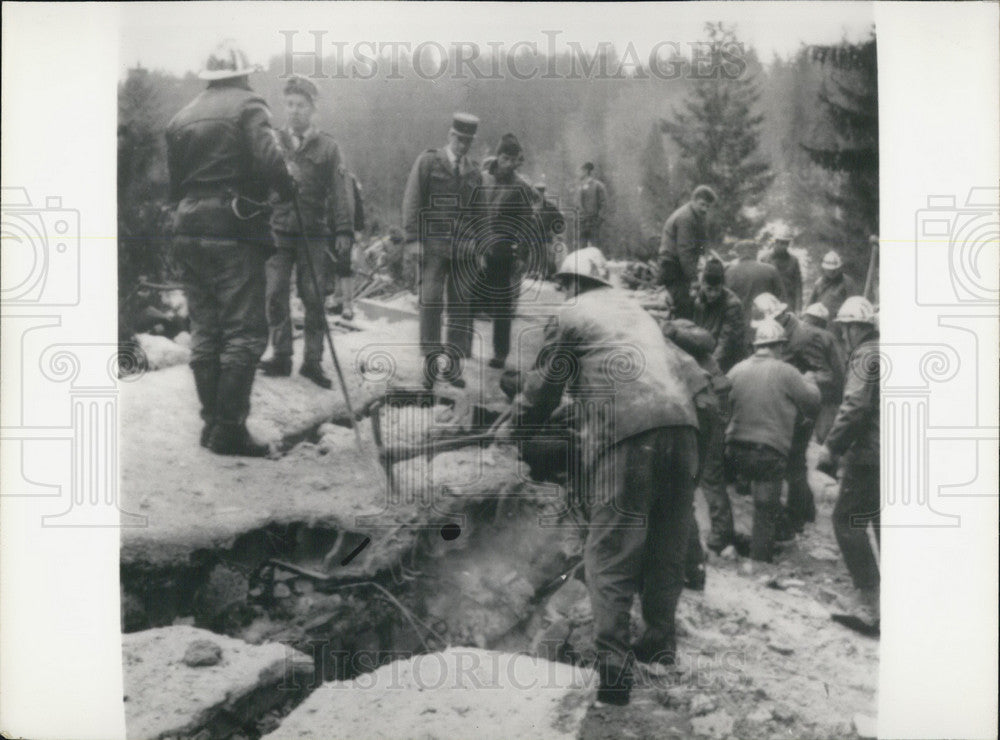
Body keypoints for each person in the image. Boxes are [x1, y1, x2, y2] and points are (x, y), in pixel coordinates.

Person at [499, 247, 700, 706]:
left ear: (569, 284)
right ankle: (659, 645)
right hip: (684, 428)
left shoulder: (572, 312)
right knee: (667, 542)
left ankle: (612, 670)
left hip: (627, 432)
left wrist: (515, 430)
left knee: (610, 546)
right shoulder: (636, 313)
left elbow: (546, 386)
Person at [165, 41, 296, 456]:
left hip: (187, 228)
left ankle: (212, 424)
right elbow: (271, 163)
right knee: (243, 332)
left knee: (205, 330)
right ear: (243, 75)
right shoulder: (249, 105)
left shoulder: (180, 118)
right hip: (233, 231)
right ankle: (229, 430)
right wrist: (288, 186)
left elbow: (175, 184)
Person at [261, 76, 354, 389]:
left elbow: (341, 192)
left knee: (314, 296)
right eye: (289, 104)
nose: (294, 111)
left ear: (313, 109)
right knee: (274, 293)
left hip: (313, 233)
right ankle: (281, 355)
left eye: (301, 105)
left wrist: (343, 230)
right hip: (277, 230)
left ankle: (312, 362)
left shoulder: (328, 147)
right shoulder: (273, 141)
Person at [725, 319, 820, 562]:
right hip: (768, 450)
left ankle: (731, 545)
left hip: (734, 448)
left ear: (757, 346)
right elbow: (811, 402)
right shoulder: (787, 371)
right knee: (765, 507)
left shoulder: (736, 369)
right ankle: (760, 560)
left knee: (748, 498)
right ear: (778, 346)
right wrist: (809, 381)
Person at [402, 113, 482, 389]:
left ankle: (454, 365)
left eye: (468, 141)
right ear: (450, 136)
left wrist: (479, 246)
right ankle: (430, 364)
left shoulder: (474, 171)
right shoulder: (428, 162)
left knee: (461, 307)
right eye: (459, 139)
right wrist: (413, 239)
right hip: (433, 247)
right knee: (431, 303)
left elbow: (480, 213)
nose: (463, 146)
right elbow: (412, 200)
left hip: (463, 249)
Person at [751, 293, 841, 532]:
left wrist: (798, 381)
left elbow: (825, 375)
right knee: (794, 463)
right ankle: (804, 511)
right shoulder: (787, 331)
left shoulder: (803, 336)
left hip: (800, 407)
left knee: (793, 463)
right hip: (789, 404)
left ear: (780, 316)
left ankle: (797, 517)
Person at [816, 297, 880, 630]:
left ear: (856, 328)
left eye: (845, 329)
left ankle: (870, 604)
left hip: (870, 455)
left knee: (847, 520)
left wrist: (831, 448)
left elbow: (855, 406)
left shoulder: (864, 355)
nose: (843, 336)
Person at [477, 134, 538, 370]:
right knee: (468, 297)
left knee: (501, 304)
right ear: (498, 155)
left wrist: (522, 255)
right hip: (477, 246)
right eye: (505, 158)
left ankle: (500, 353)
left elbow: (527, 223)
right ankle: (459, 348)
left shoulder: (521, 187)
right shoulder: (482, 178)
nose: (509, 164)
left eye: (514, 160)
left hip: (502, 251)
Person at [658, 185, 717, 320]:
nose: (705, 209)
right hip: (673, 267)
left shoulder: (696, 216)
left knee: (686, 305)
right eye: (702, 204)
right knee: (684, 308)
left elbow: (702, 243)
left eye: (708, 206)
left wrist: (707, 256)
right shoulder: (686, 218)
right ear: (693, 200)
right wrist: (694, 279)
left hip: (680, 266)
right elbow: (685, 251)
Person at [801, 302, 848, 442]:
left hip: (800, 388)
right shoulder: (829, 337)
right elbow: (839, 368)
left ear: (806, 317)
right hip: (826, 392)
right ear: (824, 322)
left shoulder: (797, 332)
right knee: (824, 437)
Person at [692, 259, 747, 373]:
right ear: (702, 284)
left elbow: (726, 342)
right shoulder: (699, 301)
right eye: (709, 289)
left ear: (722, 286)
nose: (712, 294)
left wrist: (709, 366)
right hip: (709, 353)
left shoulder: (732, 305)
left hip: (729, 359)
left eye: (717, 290)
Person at [724, 239, 785, 317]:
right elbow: (781, 298)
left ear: (738, 253)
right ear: (756, 252)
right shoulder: (770, 270)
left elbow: (724, 300)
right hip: (765, 321)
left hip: (737, 321)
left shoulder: (728, 271)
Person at [808, 250, 861, 320]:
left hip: (839, 321)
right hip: (820, 321)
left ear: (839, 268)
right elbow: (811, 303)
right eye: (829, 270)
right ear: (824, 269)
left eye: (834, 270)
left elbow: (854, 306)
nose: (831, 272)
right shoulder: (819, 282)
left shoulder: (847, 282)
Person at [762, 227, 803, 313]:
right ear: (775, 242)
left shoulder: (794, 260)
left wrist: (799, 308)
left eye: (786, 243)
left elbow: (798, 285)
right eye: (781, 242)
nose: (784, 246)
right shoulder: (765, 259)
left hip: (788, 302)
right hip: (769, 302)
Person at [575, 162, 607, 251]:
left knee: (594, 249)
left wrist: (599, 220)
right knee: (581, 250)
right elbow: (577, 204)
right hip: (582, 223)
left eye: (579, 171)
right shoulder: (579, 187)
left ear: (585, 171)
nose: (578, 173)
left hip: (594, 222)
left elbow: (603, 204)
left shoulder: (598, 186)